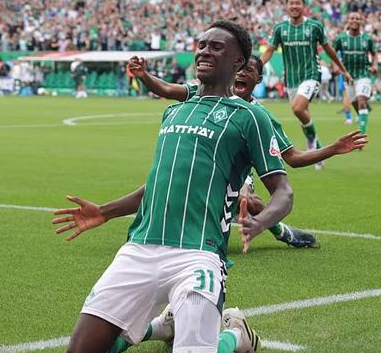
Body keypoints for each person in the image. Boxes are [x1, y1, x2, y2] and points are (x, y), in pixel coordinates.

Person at [53, 20, 293, 353]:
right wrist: (104, 212)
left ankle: (235, 333)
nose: (204, 51)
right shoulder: (174, 110)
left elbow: (284, 191)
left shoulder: (250, 117)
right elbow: (157, 184)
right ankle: (164, 326)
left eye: (216, 47)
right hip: (140, 248)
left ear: (239, 62)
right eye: (201, 45)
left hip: (198, 254)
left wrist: (261, 222)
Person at [127, 53, 367, 248]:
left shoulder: (259, 117)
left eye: (248, 70)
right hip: (202, 160)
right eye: (238, 69)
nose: (241, 73)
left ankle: (279, 231)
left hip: (236, 170)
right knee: (165, 183)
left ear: (259, 79)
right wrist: (144, 75)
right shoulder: (206, 92)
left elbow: (293, 157)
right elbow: (167, 89)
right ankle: (114, 214)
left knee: (246, 199)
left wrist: (333, 149)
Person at [260, 0, 353, 170]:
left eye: (298, 3)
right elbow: (269, 51)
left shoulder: (314, 26)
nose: (294, 6)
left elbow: (329, 50)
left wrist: (343, 70)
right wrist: (256, 67)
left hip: (311, 74)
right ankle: (316, 147)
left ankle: (312, 141)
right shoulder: (280, 29)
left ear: (303, 6)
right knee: (302, 114)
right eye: (291, 3)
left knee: (297, 108)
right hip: (291, 79)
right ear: (286, 6)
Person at [333, 12, 378, 135]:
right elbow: (332, 53)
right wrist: (335, 66)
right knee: (355, 103)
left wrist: (375, 65)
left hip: (364, 74)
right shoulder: (341, 38)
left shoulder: (367, 39)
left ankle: (362, 134)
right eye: (352, 18)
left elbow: (374, 54)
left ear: (361, 21)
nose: (355, 20)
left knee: (361, 100)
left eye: (357, 19)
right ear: (348, 21)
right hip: (348, 76)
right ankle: (364, 113)